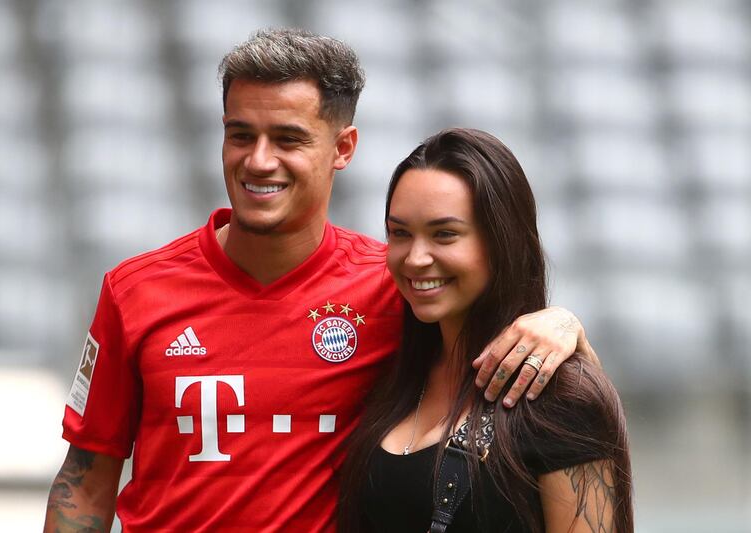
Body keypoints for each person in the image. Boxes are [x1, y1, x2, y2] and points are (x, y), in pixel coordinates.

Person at [44, 30, 599, 532]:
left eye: (287, 139)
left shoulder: (396, 288)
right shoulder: (134, 291)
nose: (259, 161)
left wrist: (564, 322)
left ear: (342, 149)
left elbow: (510, 353)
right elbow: (86, 485)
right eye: (241, 135)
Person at [338, 128, 633, 532]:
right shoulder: (386, 366)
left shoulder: (559, 397)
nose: (416, 258)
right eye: (400, 233)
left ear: (502, 242)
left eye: (445, 234)